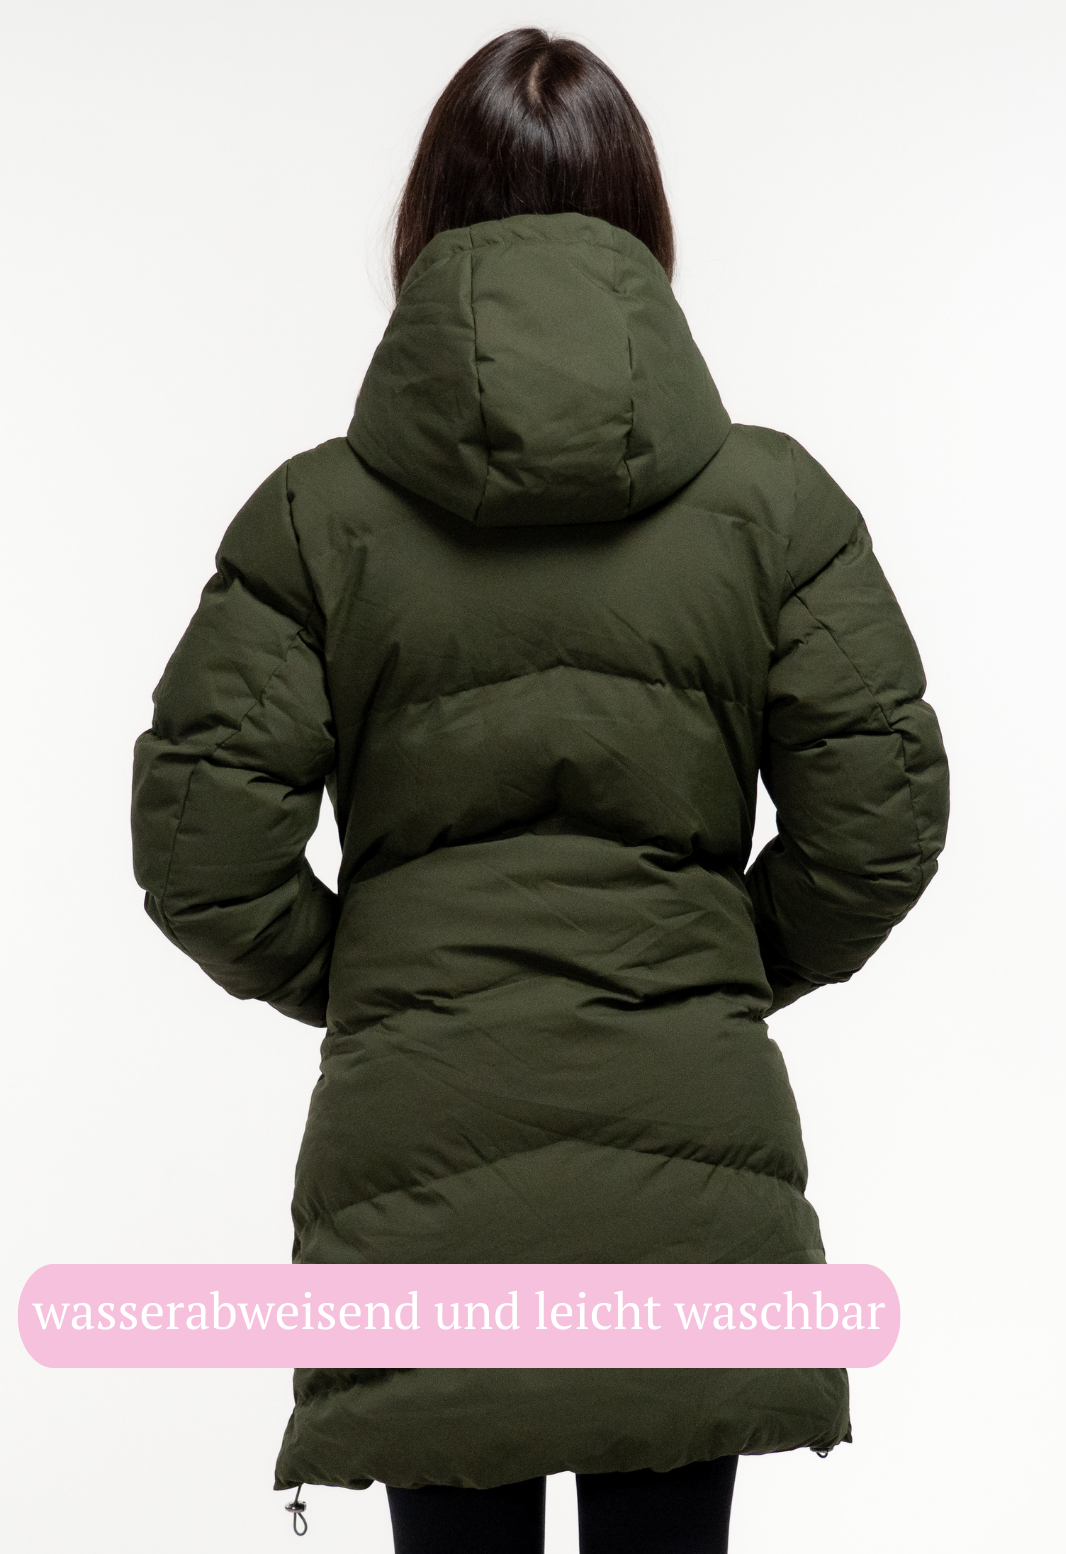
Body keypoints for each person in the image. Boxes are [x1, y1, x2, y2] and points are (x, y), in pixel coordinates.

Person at [130, 27, 949, 1554]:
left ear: (425, 222)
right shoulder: (774, 507)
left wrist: (379, 983)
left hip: (420, 1171)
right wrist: (709, 965)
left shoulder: (315, 520)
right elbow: (881, 814)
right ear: (646, 221)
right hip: (688, 1173)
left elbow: (200, 845)